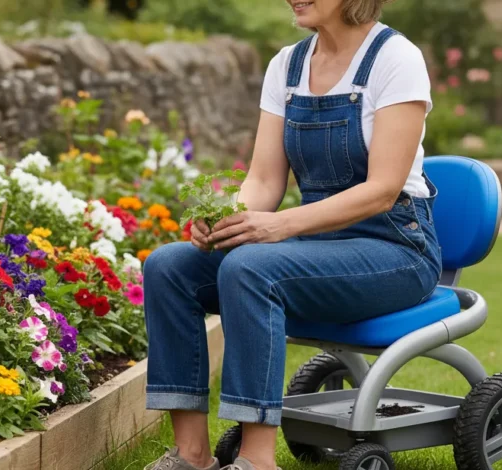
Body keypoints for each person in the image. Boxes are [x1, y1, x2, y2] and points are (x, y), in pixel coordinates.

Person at [143, 0, 440, 469]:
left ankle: (257, 460)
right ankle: (192, 455)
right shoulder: (288, 65)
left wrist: (279, 225)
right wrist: (223, 218)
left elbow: (382, 191)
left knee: (250, 267)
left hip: (395, 249)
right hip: (316, 246)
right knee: (169, 266)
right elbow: (263, 181)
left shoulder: (396, 58)